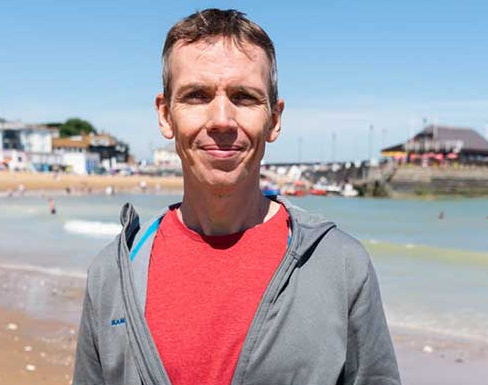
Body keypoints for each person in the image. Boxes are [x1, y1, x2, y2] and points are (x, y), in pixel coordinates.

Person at [73, 9, 400, 385]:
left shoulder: (340, 265)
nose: (222, 120)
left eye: (244, 97)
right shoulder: (114, 272)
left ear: (274, 119)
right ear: (165, 116)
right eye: (197, 96)